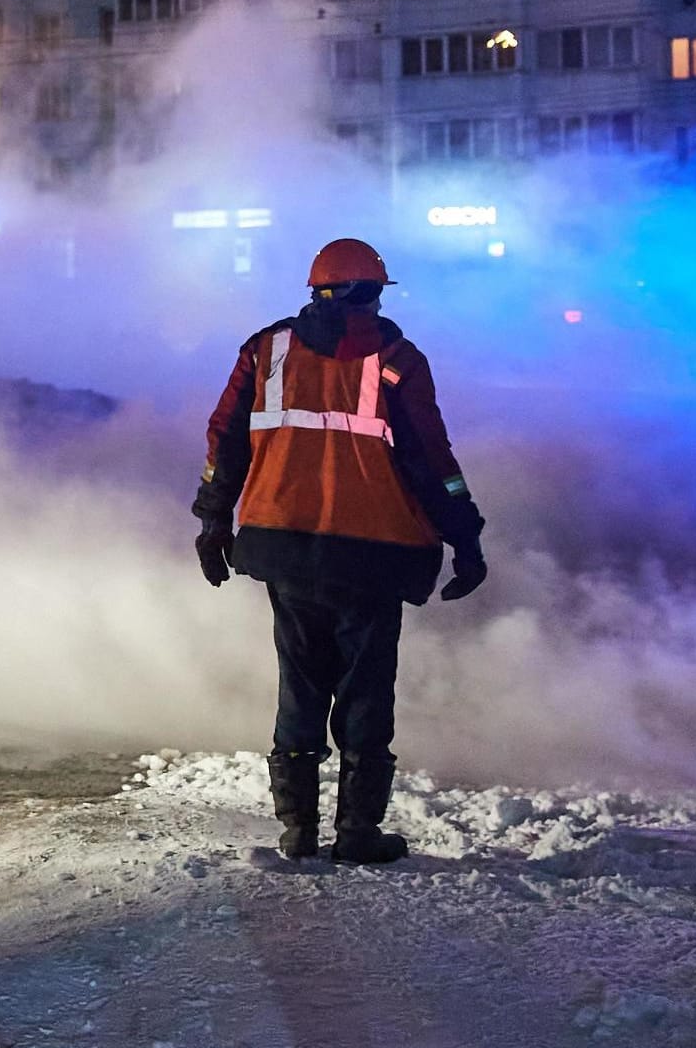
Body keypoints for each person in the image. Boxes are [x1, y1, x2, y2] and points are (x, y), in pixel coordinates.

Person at [191, 237, 487, 865]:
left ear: (316, 291)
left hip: (286, 549)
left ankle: (297, 831)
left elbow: (226, 439)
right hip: (374, 555)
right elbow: (432, 462)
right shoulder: (398, 361)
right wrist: (465, 535)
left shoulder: (266, 352)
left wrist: (215, 521)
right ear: (371, 293)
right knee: (366, 694)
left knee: (299, 687)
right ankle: (357, 834)